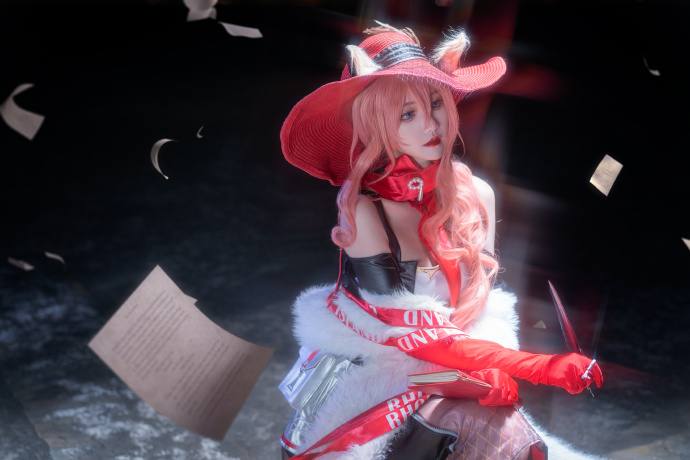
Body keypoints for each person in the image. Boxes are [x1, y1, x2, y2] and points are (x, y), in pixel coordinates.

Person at [278, 23, 603, 460]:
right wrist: (536, 366)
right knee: (495, 432)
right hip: (381, 378)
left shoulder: (476, 195)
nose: (431, 124)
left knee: (514, 437)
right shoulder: (365, 212)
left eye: (435, 103)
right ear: (375, 126)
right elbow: (410, 336)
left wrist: (488, 369)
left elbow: (477, 311)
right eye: (406, 115)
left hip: (455, 372)